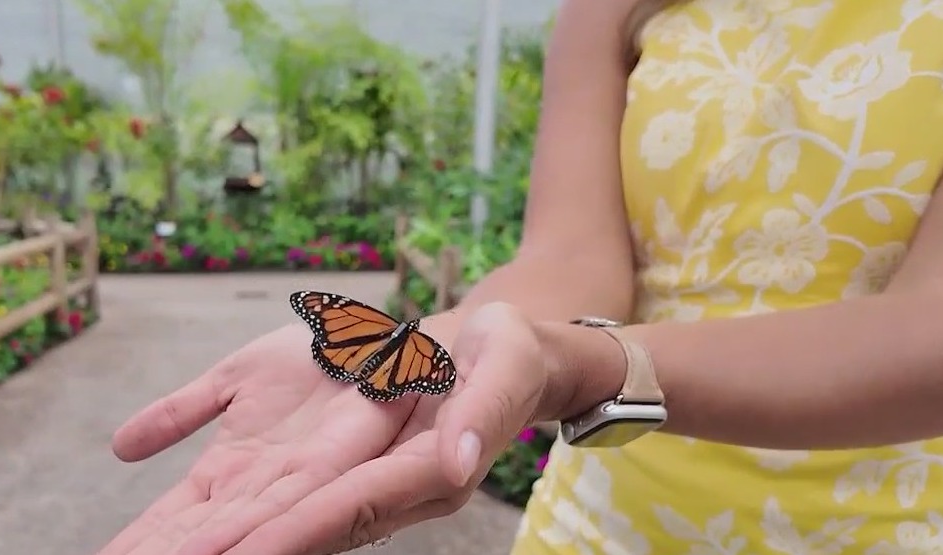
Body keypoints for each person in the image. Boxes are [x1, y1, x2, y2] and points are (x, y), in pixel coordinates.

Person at [98, 0, 943, 553]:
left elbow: (926, 334)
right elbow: (572, 256)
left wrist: (586, 364)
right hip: (600, 527)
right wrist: (443, 339)